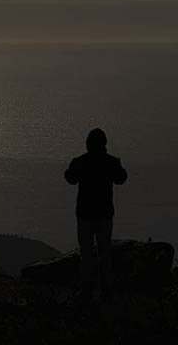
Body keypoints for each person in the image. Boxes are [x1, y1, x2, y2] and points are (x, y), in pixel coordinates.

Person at [64, 127, 128, 301]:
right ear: (104, 145)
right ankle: (107, 289)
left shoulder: (80, 162)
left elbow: (69, 178)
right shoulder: (112, 162)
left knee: (86, 252)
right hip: (104, 214)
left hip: (85, 214)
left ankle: (86, 289)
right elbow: (122, 178)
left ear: (88, 144)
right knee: (104, 251)